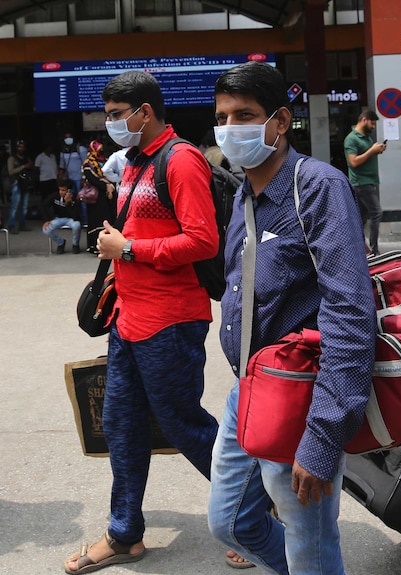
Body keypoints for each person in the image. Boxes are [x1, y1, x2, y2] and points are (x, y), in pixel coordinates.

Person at [207, 61, 376, 575]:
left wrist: (323, 437)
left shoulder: (319, 187)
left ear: (280, 122)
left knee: (310, 537)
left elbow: (350, 312)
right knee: (229, 523)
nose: (231, 128)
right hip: (249, 389)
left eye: (245, 115)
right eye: (222, 117)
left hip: (301, 397)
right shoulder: (243, 196)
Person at [63, 70, 222, 574]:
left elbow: (203, 241)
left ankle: (255, 513)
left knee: (184, 424)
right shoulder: (133, 161)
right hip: (129, 318)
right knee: (120, 424)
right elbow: (147, 226)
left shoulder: (182, 160)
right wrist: (119, 238)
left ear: (144, 112)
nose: (111, 124)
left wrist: (128, 247)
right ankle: (125, 533)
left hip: (171, 321)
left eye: (115, 115)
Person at [343, 109, 386, 255]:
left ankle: (357, 247)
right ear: (364, 120)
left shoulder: (366, 137)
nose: (373, 126)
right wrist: (371, 151)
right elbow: (353, 162)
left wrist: (377, 150)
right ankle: (374, 250)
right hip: (361, 183)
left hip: (369, 182)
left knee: (361, 218)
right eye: (372, 123)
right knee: (377, 213)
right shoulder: (351, 139)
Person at [80, 141, 116, 253]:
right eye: (98, 149)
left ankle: (109, 245)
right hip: (95, 196)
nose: (100, 151)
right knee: (97, 220)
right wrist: (106, 186)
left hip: (106, 195)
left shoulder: (104, 161)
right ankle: (95, 246)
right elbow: (92, 179)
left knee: (108, 218)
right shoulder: (88, 164)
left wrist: (110, 186)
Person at [42, 178, 82, 254]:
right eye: (60, 190)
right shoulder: (55, 195)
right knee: (46, 230)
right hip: (58, 218)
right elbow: (44, 205)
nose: (61, 192)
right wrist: (46, 220)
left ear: (69, 191)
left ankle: (75, 244)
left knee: (77, 225)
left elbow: (76, 216)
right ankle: (61, 242)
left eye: (63, 190)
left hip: (71, 219)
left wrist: (68, 204)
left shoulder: (75, 198)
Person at [6, 139, 36, 234]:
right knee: (15, 206)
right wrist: (23, 166)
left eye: (23, 147)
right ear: (16, 148)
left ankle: (22, 224)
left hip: (25, 184)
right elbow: (10, 171)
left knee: (24, 206)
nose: (21, 148)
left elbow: (32, 167)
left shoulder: (26, 157)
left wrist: (30, 165)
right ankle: (11, 226)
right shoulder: (12, 158)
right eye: (19, 146)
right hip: (16, 183)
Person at [35, 143, 59, 221]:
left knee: (54, 198)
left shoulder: (53, 156)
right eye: (49, 148)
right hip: (44, 180)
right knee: (45, 199)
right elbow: (36, 168)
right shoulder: (40, 157)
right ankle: (45, 216)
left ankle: (54, 215)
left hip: (53, 179)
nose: (50, 149)